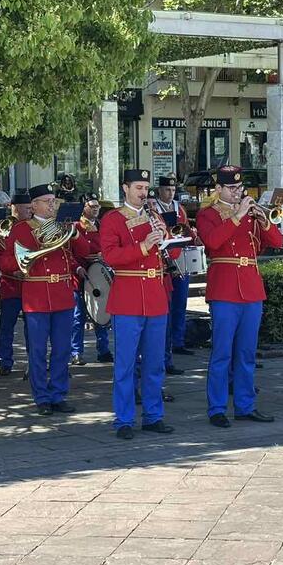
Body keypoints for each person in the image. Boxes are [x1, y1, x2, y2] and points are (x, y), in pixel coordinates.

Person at [196, 165, 282, 428]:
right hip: (224, 290)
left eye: (239, 188)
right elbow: (212, 242)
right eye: (231, 188)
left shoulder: (250, 214)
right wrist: (237, 216)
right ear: (218, 189)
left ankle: (245, 405)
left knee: (246, 353)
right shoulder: (207, 214)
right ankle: (217, 408)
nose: (237, 192)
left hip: (251, 288)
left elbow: (277, 242)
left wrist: (263, 219)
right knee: (222, 353)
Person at [1, 183, 89, 416]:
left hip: (62, 293)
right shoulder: (21, 229)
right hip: (37, 296)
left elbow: (85, 250)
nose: (53, 205)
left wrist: (77, 232)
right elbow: (5, 261)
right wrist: (23, 262)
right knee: (38, 351)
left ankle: (58, 394)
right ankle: (41, 397)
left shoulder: (63, 225)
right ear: (34, 205)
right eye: (48, 201)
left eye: (53, 201)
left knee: (62, 350)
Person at [99, 169, 175, 439]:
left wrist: (168, 237)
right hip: (128, 298)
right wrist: (143, 246)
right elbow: (110, 256)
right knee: (126, 364)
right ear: (125, 188)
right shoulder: (112, 219)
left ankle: (154, 416)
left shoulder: (154, 216)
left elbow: (171, 252)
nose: (144, 192)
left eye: (146, 187)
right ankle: (124, 419)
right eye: (138, 187)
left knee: (155, 363)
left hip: (155, 297)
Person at [152, 174, 194, 373]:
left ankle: (178, 341)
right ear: (160, 190)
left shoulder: (180, 208)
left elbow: (186, 230)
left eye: (173, 190)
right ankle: (165, 355)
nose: (171, 193)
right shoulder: (153, 208)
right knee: (166, 310)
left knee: (180, 303)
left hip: (179, 257)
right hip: (163, 259)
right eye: (167, 190)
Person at [70, 192, 112, 365]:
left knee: (102, 314)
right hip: (81, 275)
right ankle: (76, 352)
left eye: (97, 206)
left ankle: (103, 350)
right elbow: (68, 253)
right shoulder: (75, 227)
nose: (96, 209)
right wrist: (77, 268)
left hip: (99, 274)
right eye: (92, 206)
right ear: (84, 207)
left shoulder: (102, 226)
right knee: (78, 316)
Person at [0, 192, 32, 376]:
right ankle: (4, 360)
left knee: (31, 326)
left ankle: (32, 361)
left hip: (29, 285)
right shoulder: (4, 227)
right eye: (26, 208)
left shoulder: (32, 226)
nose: (29, 211)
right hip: (10, 284)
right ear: (15, 208)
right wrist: (12, 270)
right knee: (6, 325)